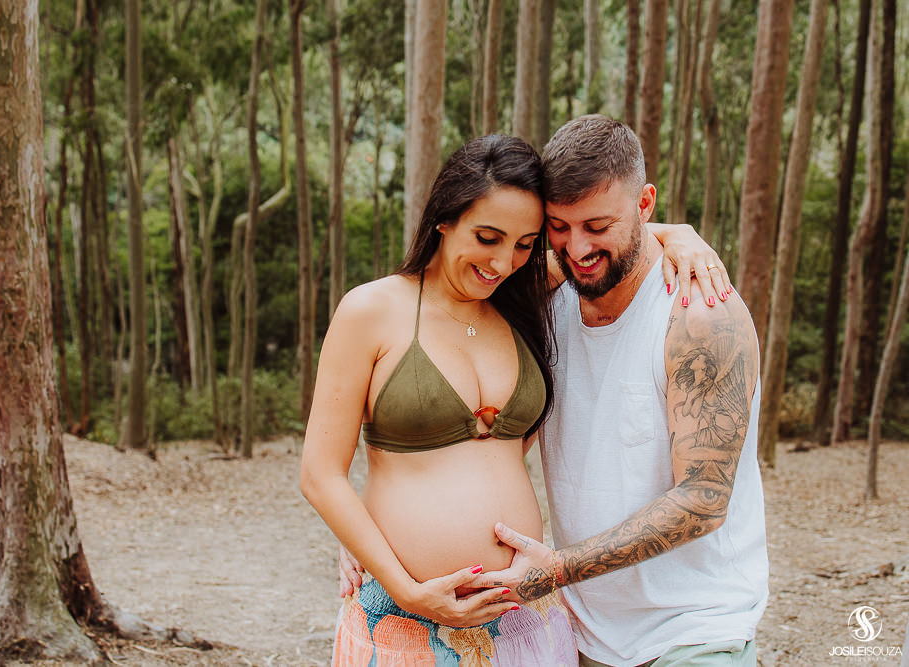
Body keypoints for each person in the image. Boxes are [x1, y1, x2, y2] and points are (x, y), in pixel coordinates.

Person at [301, 133, 729, 665]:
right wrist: (403, 582)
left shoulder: (523, 301)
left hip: (526, 616)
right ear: (443, 218)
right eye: (487, 236)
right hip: (406, 613)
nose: (502, 262)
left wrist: (681, 236)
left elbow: (607, 241)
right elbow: (320, 473)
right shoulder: (371, 310)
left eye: (525, 244)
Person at [472, 115, 768, 666]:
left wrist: (556, 569)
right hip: (584, 635)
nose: (576, 247)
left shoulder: (701, 316)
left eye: (597, 225)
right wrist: (373, 535)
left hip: (695, 631)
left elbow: (703, 501)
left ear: (646, 204)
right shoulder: (548, 303)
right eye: (558, 226)